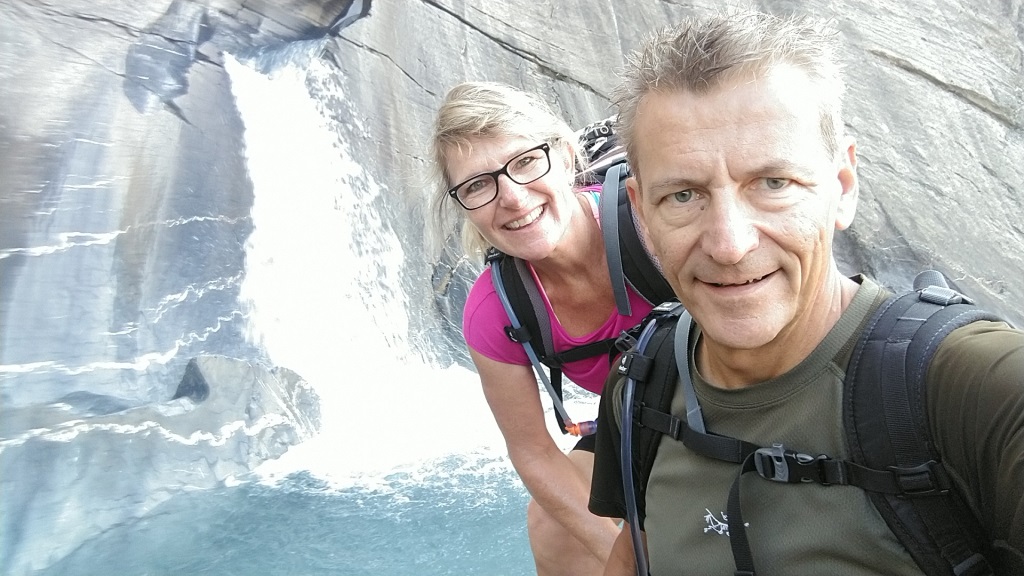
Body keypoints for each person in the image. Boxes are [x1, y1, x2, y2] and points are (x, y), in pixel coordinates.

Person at [587, 11, 1024, 576]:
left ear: (843, 187)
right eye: (684, 195)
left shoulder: (981, 393)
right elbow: (634, 553)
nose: (730, 244)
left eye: (774, 183)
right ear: (642, 213)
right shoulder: (642, 384)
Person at [428, 81, 659, 575]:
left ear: (566, 155)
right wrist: (629, 562)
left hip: (738, 400)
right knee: (554, 526)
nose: (512, 198)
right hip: (643, 421)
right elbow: (532, 452)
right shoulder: (496, 310)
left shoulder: (649, 224)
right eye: (478, 185)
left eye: (527, 161)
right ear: (463, 205)